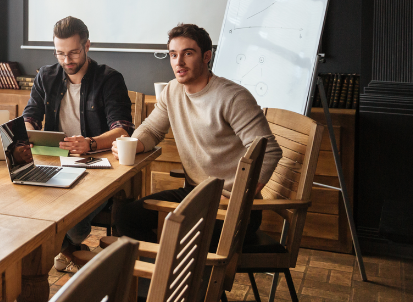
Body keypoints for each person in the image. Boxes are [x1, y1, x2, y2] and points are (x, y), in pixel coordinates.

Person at [113, 23, 282, 246]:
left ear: (206, 57)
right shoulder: (172, 91)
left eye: (188, 53)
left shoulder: (233, 98)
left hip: (233, 206)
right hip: (194, 194)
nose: (178, 62)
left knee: (179, 238)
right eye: (173, 55)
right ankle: (158, 276)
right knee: (126, 217)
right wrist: (133, 143)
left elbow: (269, 151)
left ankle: (173, 276)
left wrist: (239, 197)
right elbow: (152, 130)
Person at [22, 16, 134, 273]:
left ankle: (65, 246)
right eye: (60, 53)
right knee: (24, 201)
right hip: (52, 160)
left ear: (87, 46)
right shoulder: (46, 76)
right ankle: (68, 250)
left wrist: (91, 144)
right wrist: (29, 134)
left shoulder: (109, 79)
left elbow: (123, 129)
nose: (67, 60)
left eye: (73, 52)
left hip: (96, 166)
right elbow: (29, 117)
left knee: (71, 214)